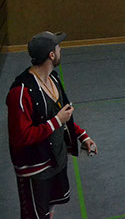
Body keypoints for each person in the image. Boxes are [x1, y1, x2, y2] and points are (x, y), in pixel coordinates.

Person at [7, 31, 98, 219]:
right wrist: (57, 121)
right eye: (58, 47)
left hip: (56, 161)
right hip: (36, 171)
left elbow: (64, 116)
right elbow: (21, 137)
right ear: (51, 55)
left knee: (49, 210)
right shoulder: (21, 92)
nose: (60, 49)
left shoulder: (54, 78)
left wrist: (82, 136)